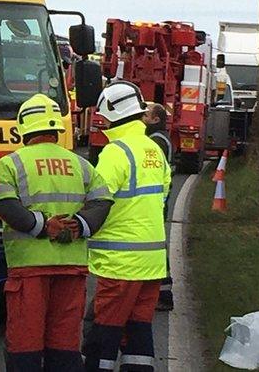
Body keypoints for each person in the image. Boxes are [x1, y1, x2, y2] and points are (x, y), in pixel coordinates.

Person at [0, 94, 113, 371]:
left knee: (25, 345)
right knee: (64, 344)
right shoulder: (80, 164)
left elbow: (4, 204)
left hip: (29, 269)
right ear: (56, 128)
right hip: (72, 268)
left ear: (24, 127)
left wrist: (43, 226)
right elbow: (102, 202)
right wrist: (80, 225)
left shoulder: (11, 163)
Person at [82, 82, 171, 372]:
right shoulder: (153, 150)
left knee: (102, 335)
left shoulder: (115, 152)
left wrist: (75, 225)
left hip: (121, 264)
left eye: (103, 118)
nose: (102, 123)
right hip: (153, 262)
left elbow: (97, 199)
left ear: (112, 114)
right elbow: (163, 195)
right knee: (138, 333)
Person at [142, 102, 174, 312]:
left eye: (146, 115)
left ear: (156, 119)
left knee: (156, 247)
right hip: (158, 200)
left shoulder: (156, 141)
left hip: (155, 201)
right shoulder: (160, 138)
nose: (143, 117)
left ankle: (164, 294)